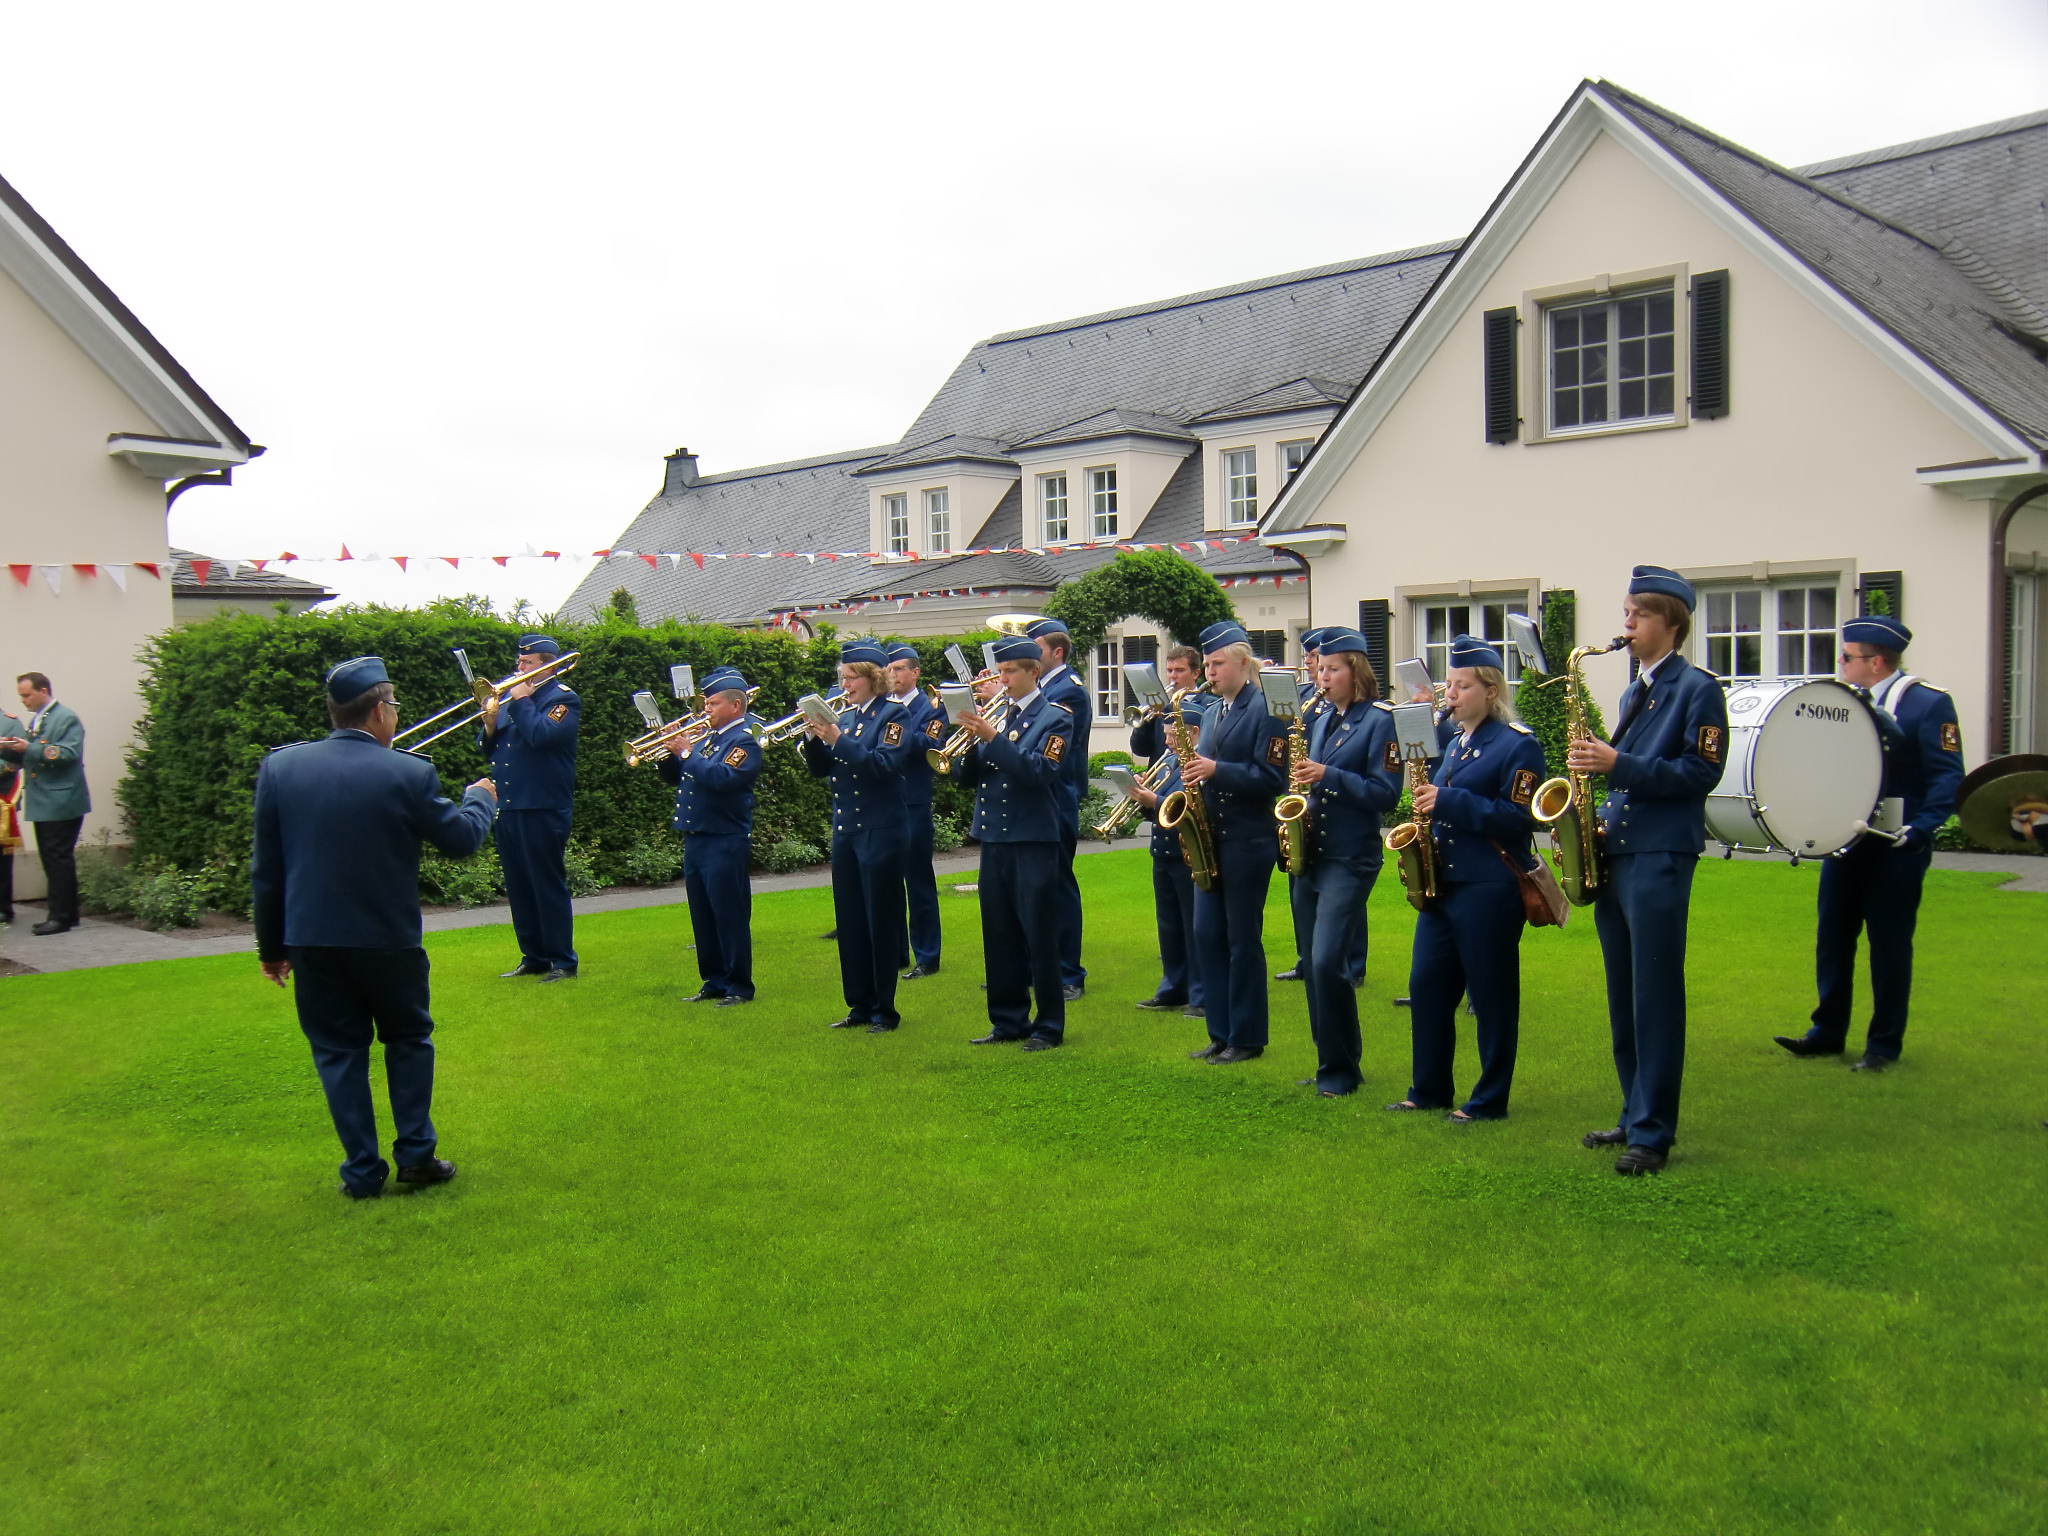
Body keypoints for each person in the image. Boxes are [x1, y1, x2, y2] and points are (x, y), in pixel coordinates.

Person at [251, 657, 498, 1200]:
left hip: (312, 940)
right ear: (380, 710)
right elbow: (460, 840)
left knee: (338, 1053)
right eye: (395, 706)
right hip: (388, 939)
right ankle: (416, 1156)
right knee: (408, 1041)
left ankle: (362, 1172)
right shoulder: (409, 772)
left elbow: (266, 870)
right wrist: (481, 799)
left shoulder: (281, 768)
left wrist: (271, 948)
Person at [1570, 567, 1729, 1174]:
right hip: (1620, 851)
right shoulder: (1635, 690)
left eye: (1638, 613)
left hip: (1661, 855)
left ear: (1672, 622)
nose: (1627, 623)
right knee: (1624, 991)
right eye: (1626, 612)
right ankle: (1633, 1109)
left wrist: (1618, 763)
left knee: (1655, 993)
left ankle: (1653, 1132)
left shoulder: (1697, 689)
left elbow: (1701, 773)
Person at [1775, 616, 1963, 1071]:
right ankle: (1827, 1032)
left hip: (1898, 845)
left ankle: (1883, 1045)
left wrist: (1921, 828)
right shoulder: (1842, 704)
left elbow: (1947, 777)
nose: (1840, 664)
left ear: (1875, 662)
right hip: (1847, 838)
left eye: (1846, 657)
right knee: (1833, 938)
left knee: (1889, 945)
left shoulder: (1928, 703)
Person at [1383, 636, 1546, 1117]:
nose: (1450, 694)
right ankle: (1429, 1090)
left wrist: (1448, 800)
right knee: (1427, 986)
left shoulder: (1518, 743)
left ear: (1491, 691)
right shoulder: (1455, 743)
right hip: (1445, 883)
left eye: (1462, 686)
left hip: (1490, 884)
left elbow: (1521, 817)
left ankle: (1490, 1099)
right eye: (1449, 684)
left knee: (1492, 994)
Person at [1290, 632, 1403, 1096]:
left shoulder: (1381, 721)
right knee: (1313, 966)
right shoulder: (1321, 720)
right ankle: (1331, 1062)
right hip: (1314, 853)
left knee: (1326, 961)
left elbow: (1386, 794)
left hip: (1351, 856)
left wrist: (1327, 775)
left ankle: (1341, 1068)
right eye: (1320, 669)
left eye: (1332, 669)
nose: (1323, 677)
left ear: (1356, 672)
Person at [955, 634, 1075, 1050]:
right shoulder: (1000, 716)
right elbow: (965, 778)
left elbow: (1041, 771)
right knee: (999, 932)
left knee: (1039, 934)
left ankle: (1048, 1026)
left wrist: (992, 738)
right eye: (1001, 671)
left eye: (1009, 672)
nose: (1002, 679)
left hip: (1033, 837)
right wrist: (972, 744)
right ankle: (1008, 1020)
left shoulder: (1055, 718)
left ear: (1033, 672)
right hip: (994, 836)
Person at [1183, 622, 1289, 1065]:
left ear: (1244, 663)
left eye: (1218, 663)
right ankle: (1220, 1031)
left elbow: (1273, 779)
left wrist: (1215, 770)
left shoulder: (1267, 710)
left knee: (1241, 939)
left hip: (1247, 838)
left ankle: (1247, 1037)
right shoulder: (1211, 712)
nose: (1210, 671)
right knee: (1207, 934)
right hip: (1213, 839)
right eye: (1207, 664)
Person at [801, 639, 914, 1032]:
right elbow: (821, 769)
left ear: (873, 679)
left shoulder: (895, 715)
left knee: (880, 920)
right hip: (847, 829)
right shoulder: (845, 718)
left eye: (851, 678)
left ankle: (885, 1009)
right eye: (843, 678)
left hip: (881, 830)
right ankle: (859, 1004)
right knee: (850, 921)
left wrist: (837, 739)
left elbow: (882, 765)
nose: (844, 685)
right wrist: (814, 738)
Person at [657, 667, 763, 1008]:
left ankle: (739, 985)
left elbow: (722, 778)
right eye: (706, 703)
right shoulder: (707, 738)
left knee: (728, 914)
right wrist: (669, 750)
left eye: (713, 703)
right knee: (702, 914)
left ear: (735, 705)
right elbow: (676, 776)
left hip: (724, 837)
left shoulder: (745, 739)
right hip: (697, 835)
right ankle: (714, 980)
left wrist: (687, 753)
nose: (706, 709)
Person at [480, 634, 580, 981]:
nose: (519, 667)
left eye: (527, 663)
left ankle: (563, 960)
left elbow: (542, 736)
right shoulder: (512, 700)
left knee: (545, 883)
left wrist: (521, 699)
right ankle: (534, 955)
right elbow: (493, 749)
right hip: (510, 805)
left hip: (543, 805)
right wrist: (489, 724)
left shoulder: (562, 699)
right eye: (519, 662)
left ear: (547, 666)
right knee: (520, 884)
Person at [1133, 693, 1212, 1018]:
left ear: (1193, 733)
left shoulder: (1200, 762)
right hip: (1162, 850)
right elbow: (1155, 808)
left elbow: (1190, 805)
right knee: (1168, 926)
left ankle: (1200, 992)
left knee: (1193, 925)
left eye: (1172, 735)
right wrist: (1139, 793)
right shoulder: (1168, 761)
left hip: (1186, 853)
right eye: (1165, 735)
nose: (1166, 742)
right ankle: (1173, 986)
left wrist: (1154, 800)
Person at [1027, 617, 1091, 1000]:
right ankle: (1036, 968)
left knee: (1059, 885)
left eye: (1035, 650)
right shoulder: (1041, 688)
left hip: (1058, 795)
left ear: (1057, 652)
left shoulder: (1068, 690)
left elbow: (1048, 741)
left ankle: (1069, 973)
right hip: (1036, 798)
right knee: (1032, 888)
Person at [0, 673, 89, 935]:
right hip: (46, 800)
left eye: (27, 695)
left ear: (43, 691)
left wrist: (27, 748)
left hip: (60, 800)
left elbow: (68, 753)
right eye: (21, 696)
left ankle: (61, 917)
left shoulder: (65, 717)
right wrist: (11, 748)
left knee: (58, 859)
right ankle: (66, 914)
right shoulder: (41, 717)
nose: (23, 700)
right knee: (53, 859)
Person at [885, 643, 946, 979]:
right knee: (887, 881)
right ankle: (895, 953)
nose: (892, 675)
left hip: (912, 803)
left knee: (918, 881)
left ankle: (927, 955)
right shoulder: (883, 706)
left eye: (898, 669)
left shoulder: (931, 707)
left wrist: (896, 725)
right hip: (884, 803)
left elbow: (930, 745)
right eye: (889, 669)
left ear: (915, 673)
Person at [1275, 627, 1328, 985]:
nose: (1308, 662)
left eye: (1313, 657)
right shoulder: (1304, 696)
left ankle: (1352, 962)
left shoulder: (1332, 701)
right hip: (1300, 793)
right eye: (1308, 657)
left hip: (1325, 793)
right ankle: (1305, 956)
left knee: (1336, 892)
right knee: (1299, 879)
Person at [0, 702, 21, 925]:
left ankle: (3, 907)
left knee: (1, 859)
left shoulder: (9, 723)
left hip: (1, 799)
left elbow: (15, 762)